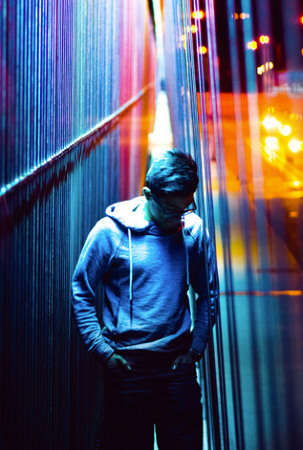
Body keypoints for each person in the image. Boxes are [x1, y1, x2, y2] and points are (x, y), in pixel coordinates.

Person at [71, 149, 218, 450]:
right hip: (128, 367)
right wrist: (102, 352)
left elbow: (208, 293)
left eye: (185, 208)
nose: (178, 218)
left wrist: (196, 347)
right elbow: (81, 288)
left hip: (178, 366)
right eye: (169, 210)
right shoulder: (110, 233)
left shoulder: (192, 231)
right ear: (148, 194)